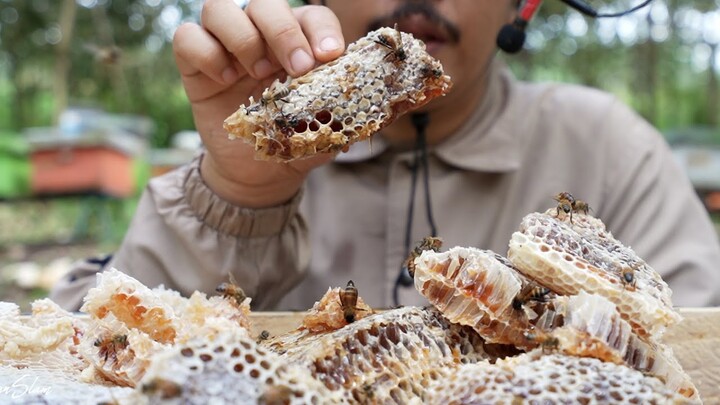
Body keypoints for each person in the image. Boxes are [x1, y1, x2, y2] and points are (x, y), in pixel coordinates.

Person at [50, 0, 720, 310]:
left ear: (525, 4)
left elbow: (694, 351)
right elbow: (85, 349)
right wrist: (236, 191)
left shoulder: (610, 147)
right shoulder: (254, 126)